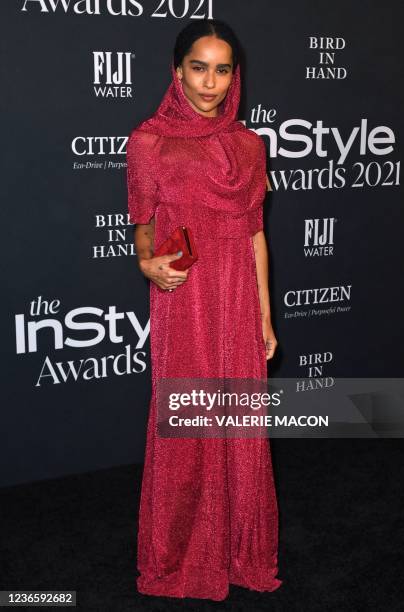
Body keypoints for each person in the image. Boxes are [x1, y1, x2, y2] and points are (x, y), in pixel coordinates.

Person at [126, 18, 283, 601]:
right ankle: (178, 558)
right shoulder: (148, 142)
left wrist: (265, 316)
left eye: (222, 69)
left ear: (233, 76)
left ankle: (242, 553)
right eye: (199, 67)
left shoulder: (249, 144)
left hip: (238, 296)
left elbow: (255, 237)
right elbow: (142, 229)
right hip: (185, 297)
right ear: (177, 70)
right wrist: (145, 263)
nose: (210, 81)